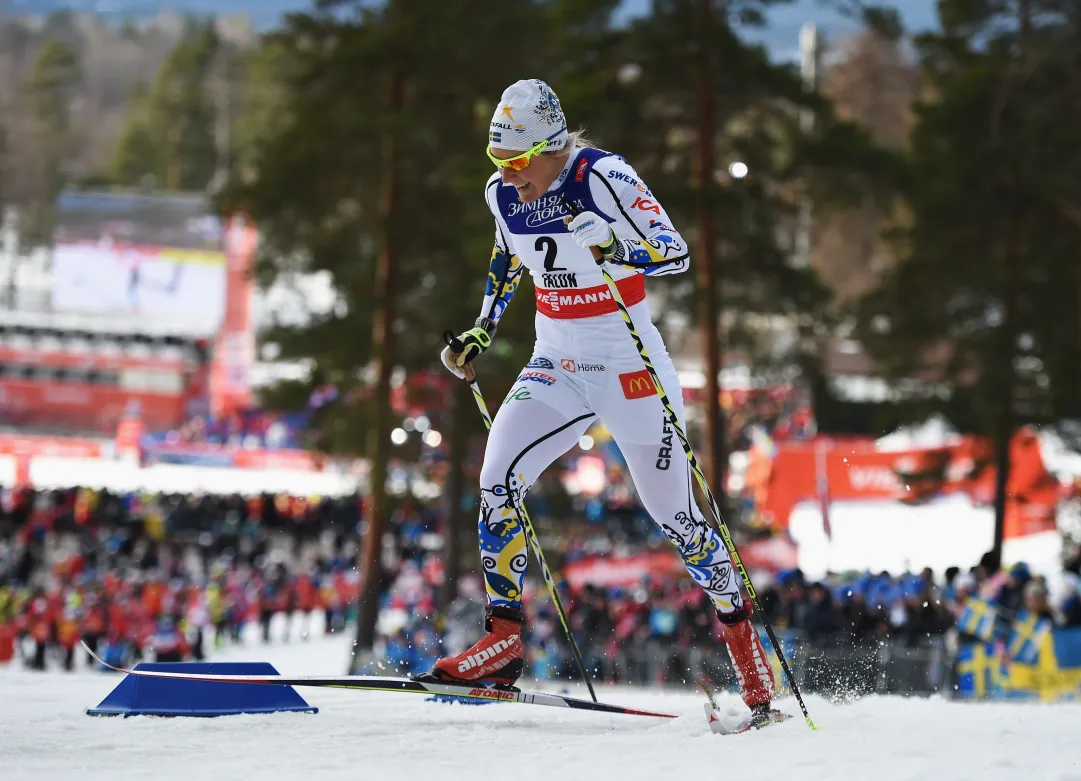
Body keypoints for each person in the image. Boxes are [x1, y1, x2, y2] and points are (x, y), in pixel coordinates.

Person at [419, 79, 775, 720]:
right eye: (499, 162)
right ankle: (503, 643)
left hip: (628, 366)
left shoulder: (602, 176)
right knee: (497, 479)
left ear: (551, 147)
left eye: (519, 161)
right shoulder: (504, 193)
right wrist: (482, 330)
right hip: (556, 361)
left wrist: (617, 247)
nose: (510, 175)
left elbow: (673, 251)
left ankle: (749, 657)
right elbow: (507, 259)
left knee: (679, 522)